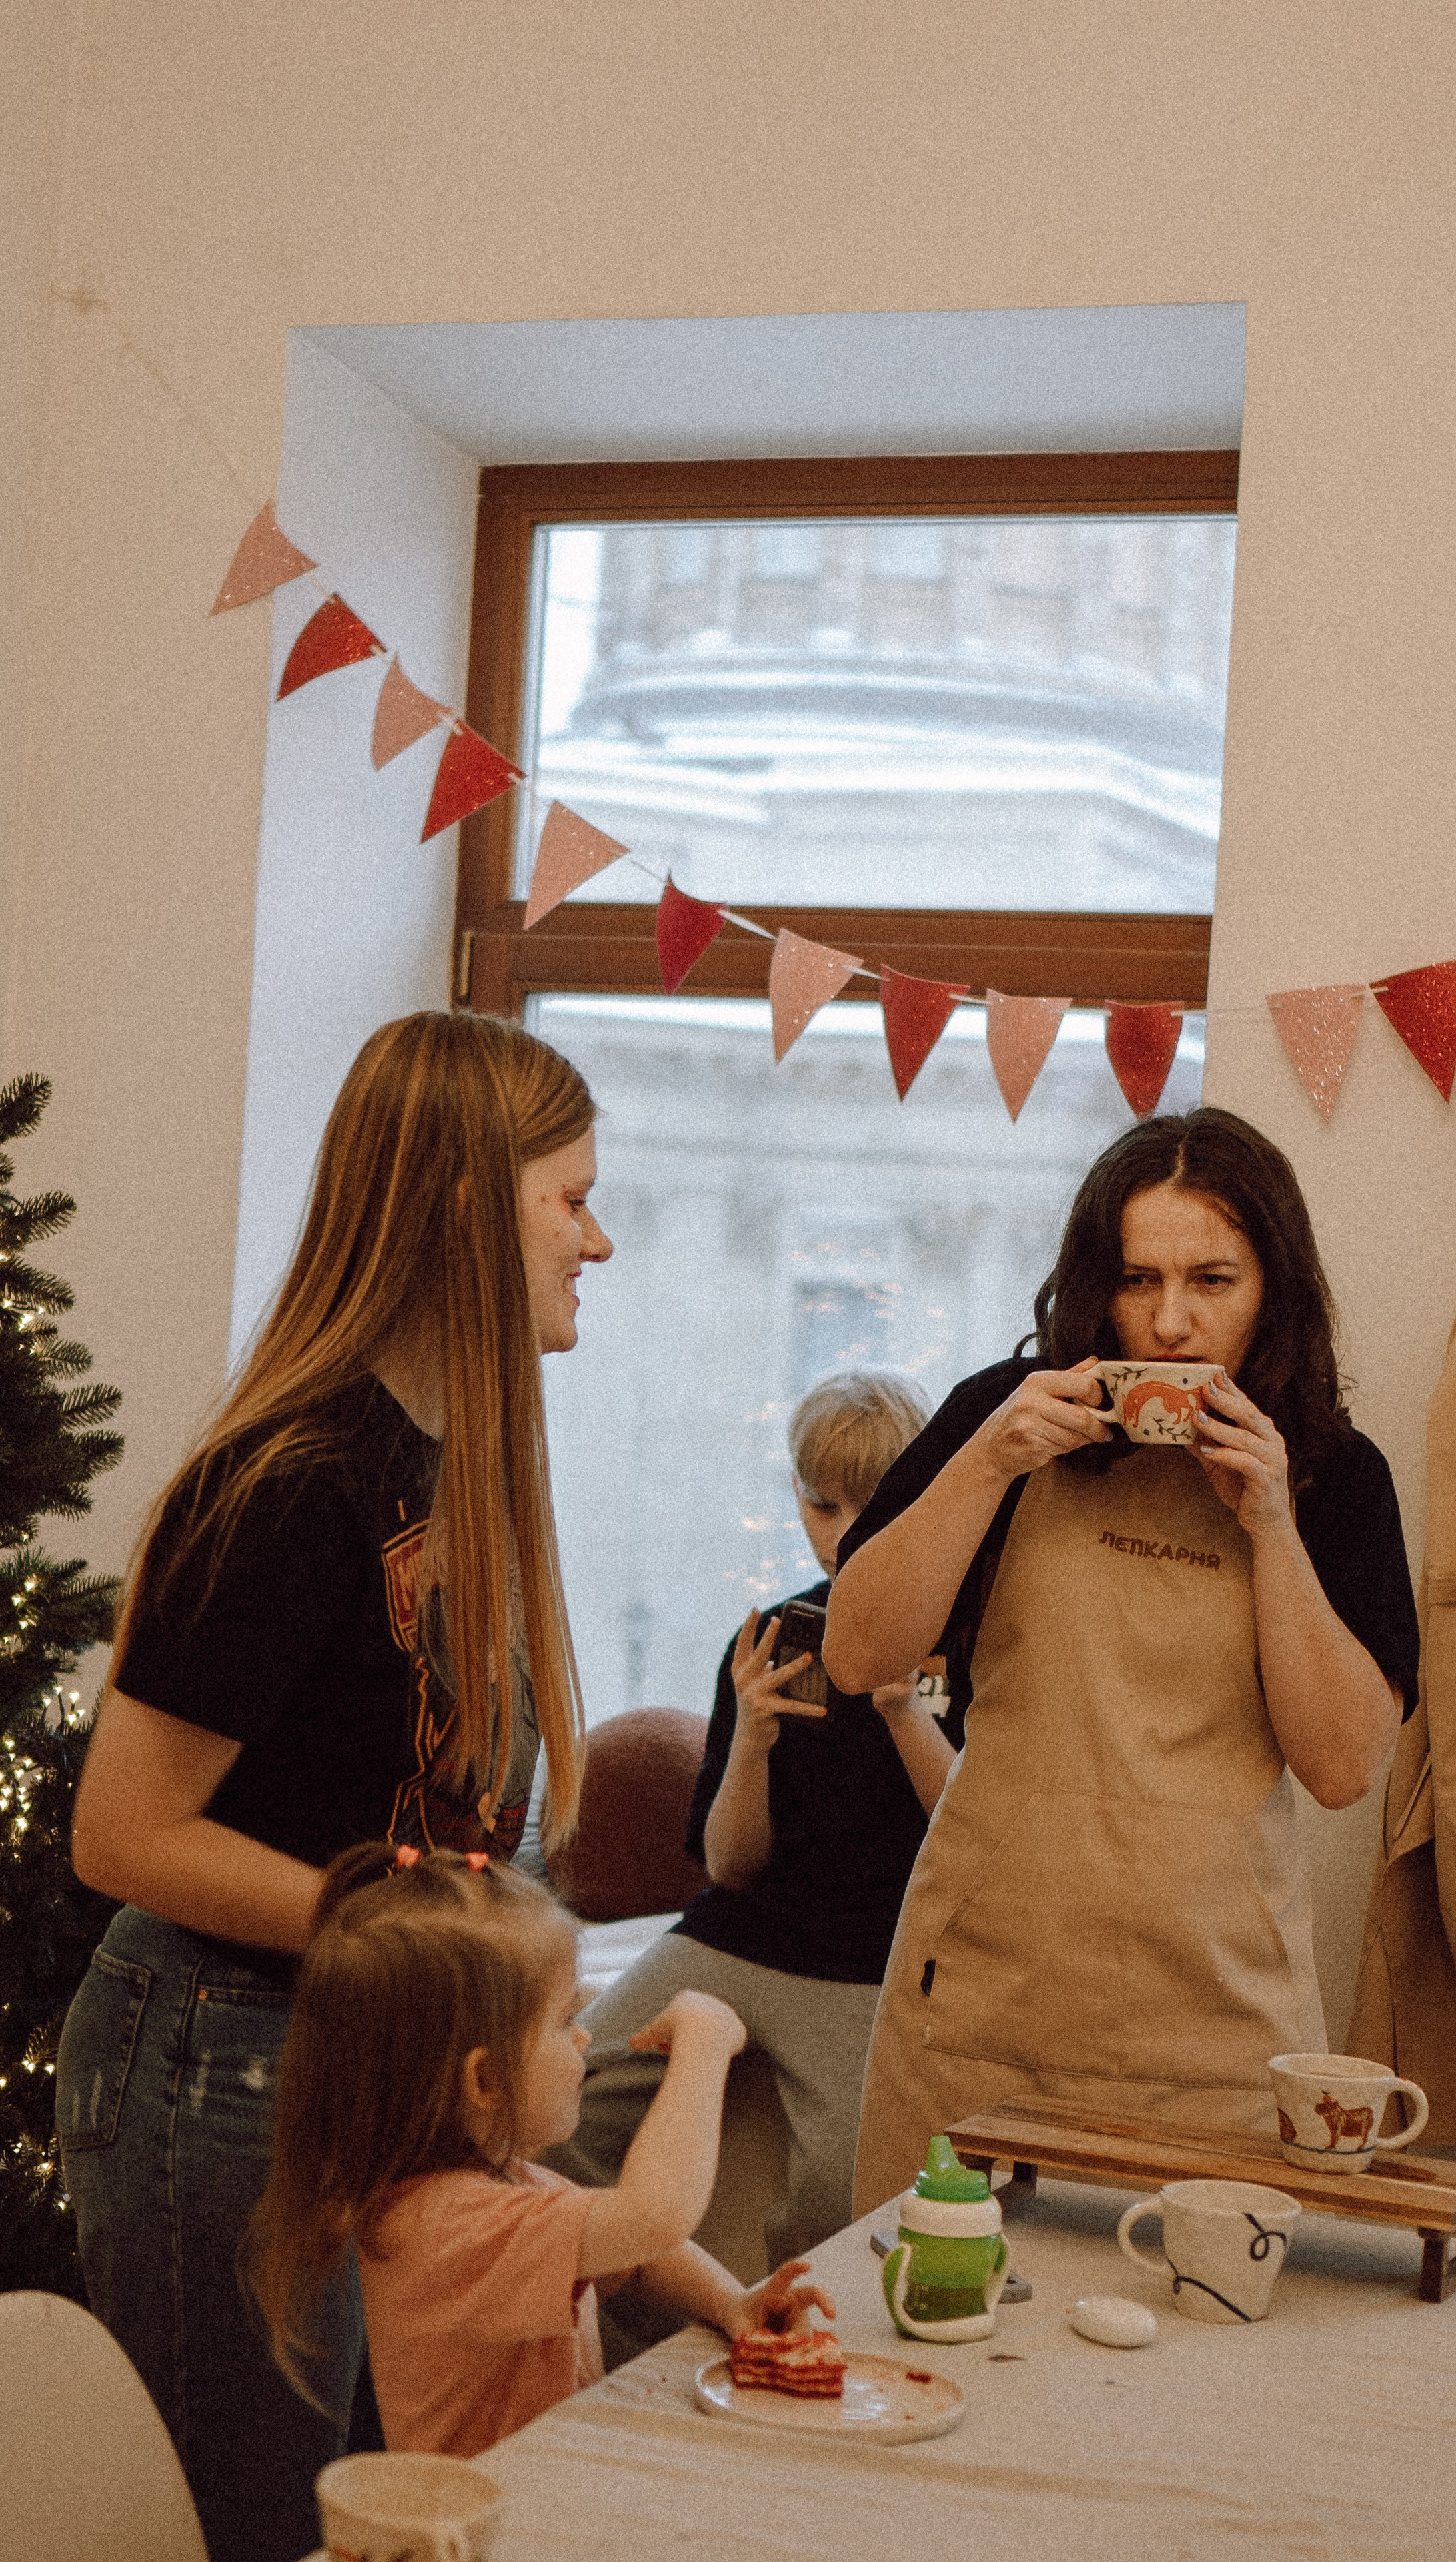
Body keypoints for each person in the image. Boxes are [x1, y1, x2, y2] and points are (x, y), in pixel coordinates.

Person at [55, 1011, 610, 2562]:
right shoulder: (293, 1478)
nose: (600, 1236)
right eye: (566, 1195)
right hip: (217, 2067)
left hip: (349, 2063)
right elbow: (125, 1832)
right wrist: (419, 1939)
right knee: (266, 2527)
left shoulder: (444, 1457)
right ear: (458, 1208)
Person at [824, 1108, 1421, 2213]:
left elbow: (1342, 1768)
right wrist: (988, 1461)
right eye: (1138, 1281)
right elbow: (859, 1651)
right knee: (934, 2324)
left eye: (1212, 1281)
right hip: (981, 2010)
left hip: (1218, 2027)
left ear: (1273, 1293)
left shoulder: (1335, 1477)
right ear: (1093, 1288)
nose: (1170, 1325)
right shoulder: (996, 1422)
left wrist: (1273, 1527)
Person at [560, 1371, 958, 2278]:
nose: (844, 1530)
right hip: (742, 1935)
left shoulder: (962, 1635)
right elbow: (731, 1868)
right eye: (821, 1503)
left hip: (872, 1959)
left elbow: (969, 1840)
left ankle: (780, 2349)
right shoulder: (777, 1634)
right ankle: (626, 2349)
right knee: (564, 2114)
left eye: (874, 1502)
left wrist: (904, 1710)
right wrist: (749, 1739)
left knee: (847, 2201)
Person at [247, 1843, 834, 2458]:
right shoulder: (451, 2226)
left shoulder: (501, 2184)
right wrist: (705, 2042)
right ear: (485, 2081)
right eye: (564, 2020)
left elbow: (638, 2253)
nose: (583, 2036)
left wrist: (731, 2304)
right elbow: (654, 2215)